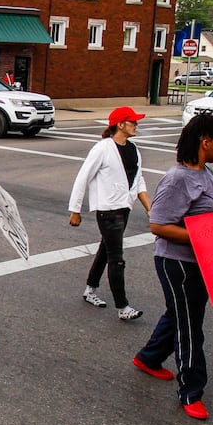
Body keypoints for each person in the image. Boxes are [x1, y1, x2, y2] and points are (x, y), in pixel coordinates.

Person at [132, 112, 213, 421]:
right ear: (204, 141)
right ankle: (191, 391)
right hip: (177, 263)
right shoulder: (177, 178)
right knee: (189, 324)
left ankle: (149, 357)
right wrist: (203, 238)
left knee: (180, 314)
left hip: (202, 261)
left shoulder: (206, 173)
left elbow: (206, 211)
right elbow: (158, 225)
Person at [69, 105, 153, 321]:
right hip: (107, 211)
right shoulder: (103, 148)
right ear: (120, 124)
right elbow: (83, 177)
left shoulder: (133, 149)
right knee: (117, 257)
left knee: (106, 250)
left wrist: (149, 207)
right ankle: (123, 307)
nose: (136, 124)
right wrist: (75, 210)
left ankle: (90, 289)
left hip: (124, 208)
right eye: (132, 121)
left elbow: (139, 180)